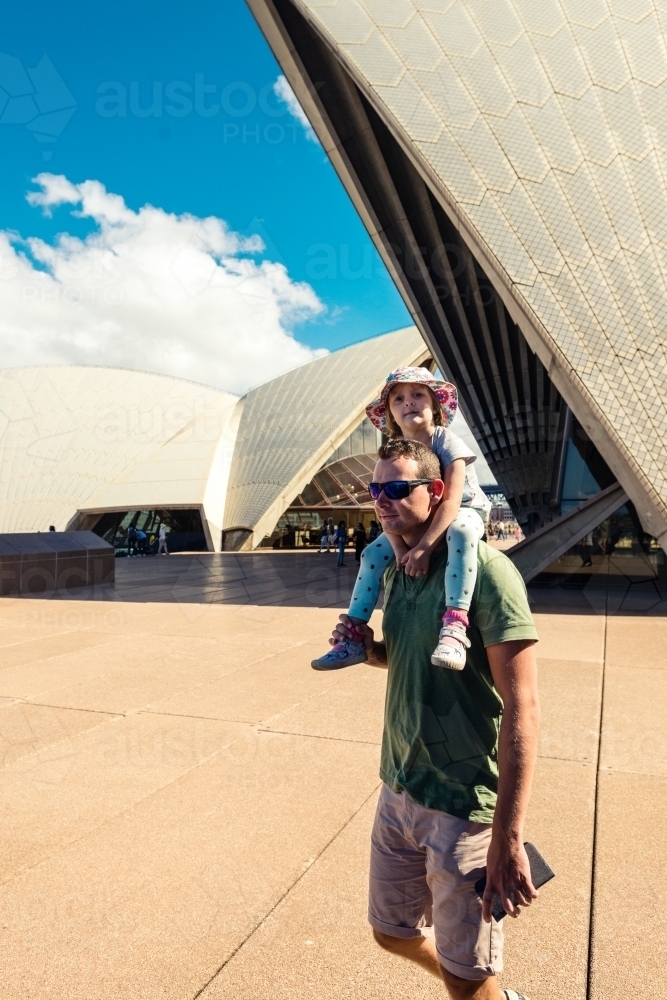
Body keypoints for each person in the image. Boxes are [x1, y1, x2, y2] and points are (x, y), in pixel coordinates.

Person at [327, 438, 539, 1000]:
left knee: (467, 982)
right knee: (390, 933)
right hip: (398, 787)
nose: (383, 501)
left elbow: (522, 706)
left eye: (398, 489)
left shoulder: (488, 575)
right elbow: (401, 658)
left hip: (463, 802)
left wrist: (507, 835)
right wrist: (372, 649)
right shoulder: (397, 569)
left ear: (437, 491)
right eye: (376, 490)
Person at [312, 367, 490, 672]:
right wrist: (397, 551)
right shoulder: (392, 455)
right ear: (390, 414)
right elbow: (383, 504)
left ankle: (454, 627)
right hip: (420, 518)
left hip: (465, 510)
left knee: (460, 531)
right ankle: (353, 634)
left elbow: (450, 501)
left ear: (434, 405)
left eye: (418, 394)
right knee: (370, 554)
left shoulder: (446, 442)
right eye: (398, 399)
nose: (408, 402)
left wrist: (424, 548)